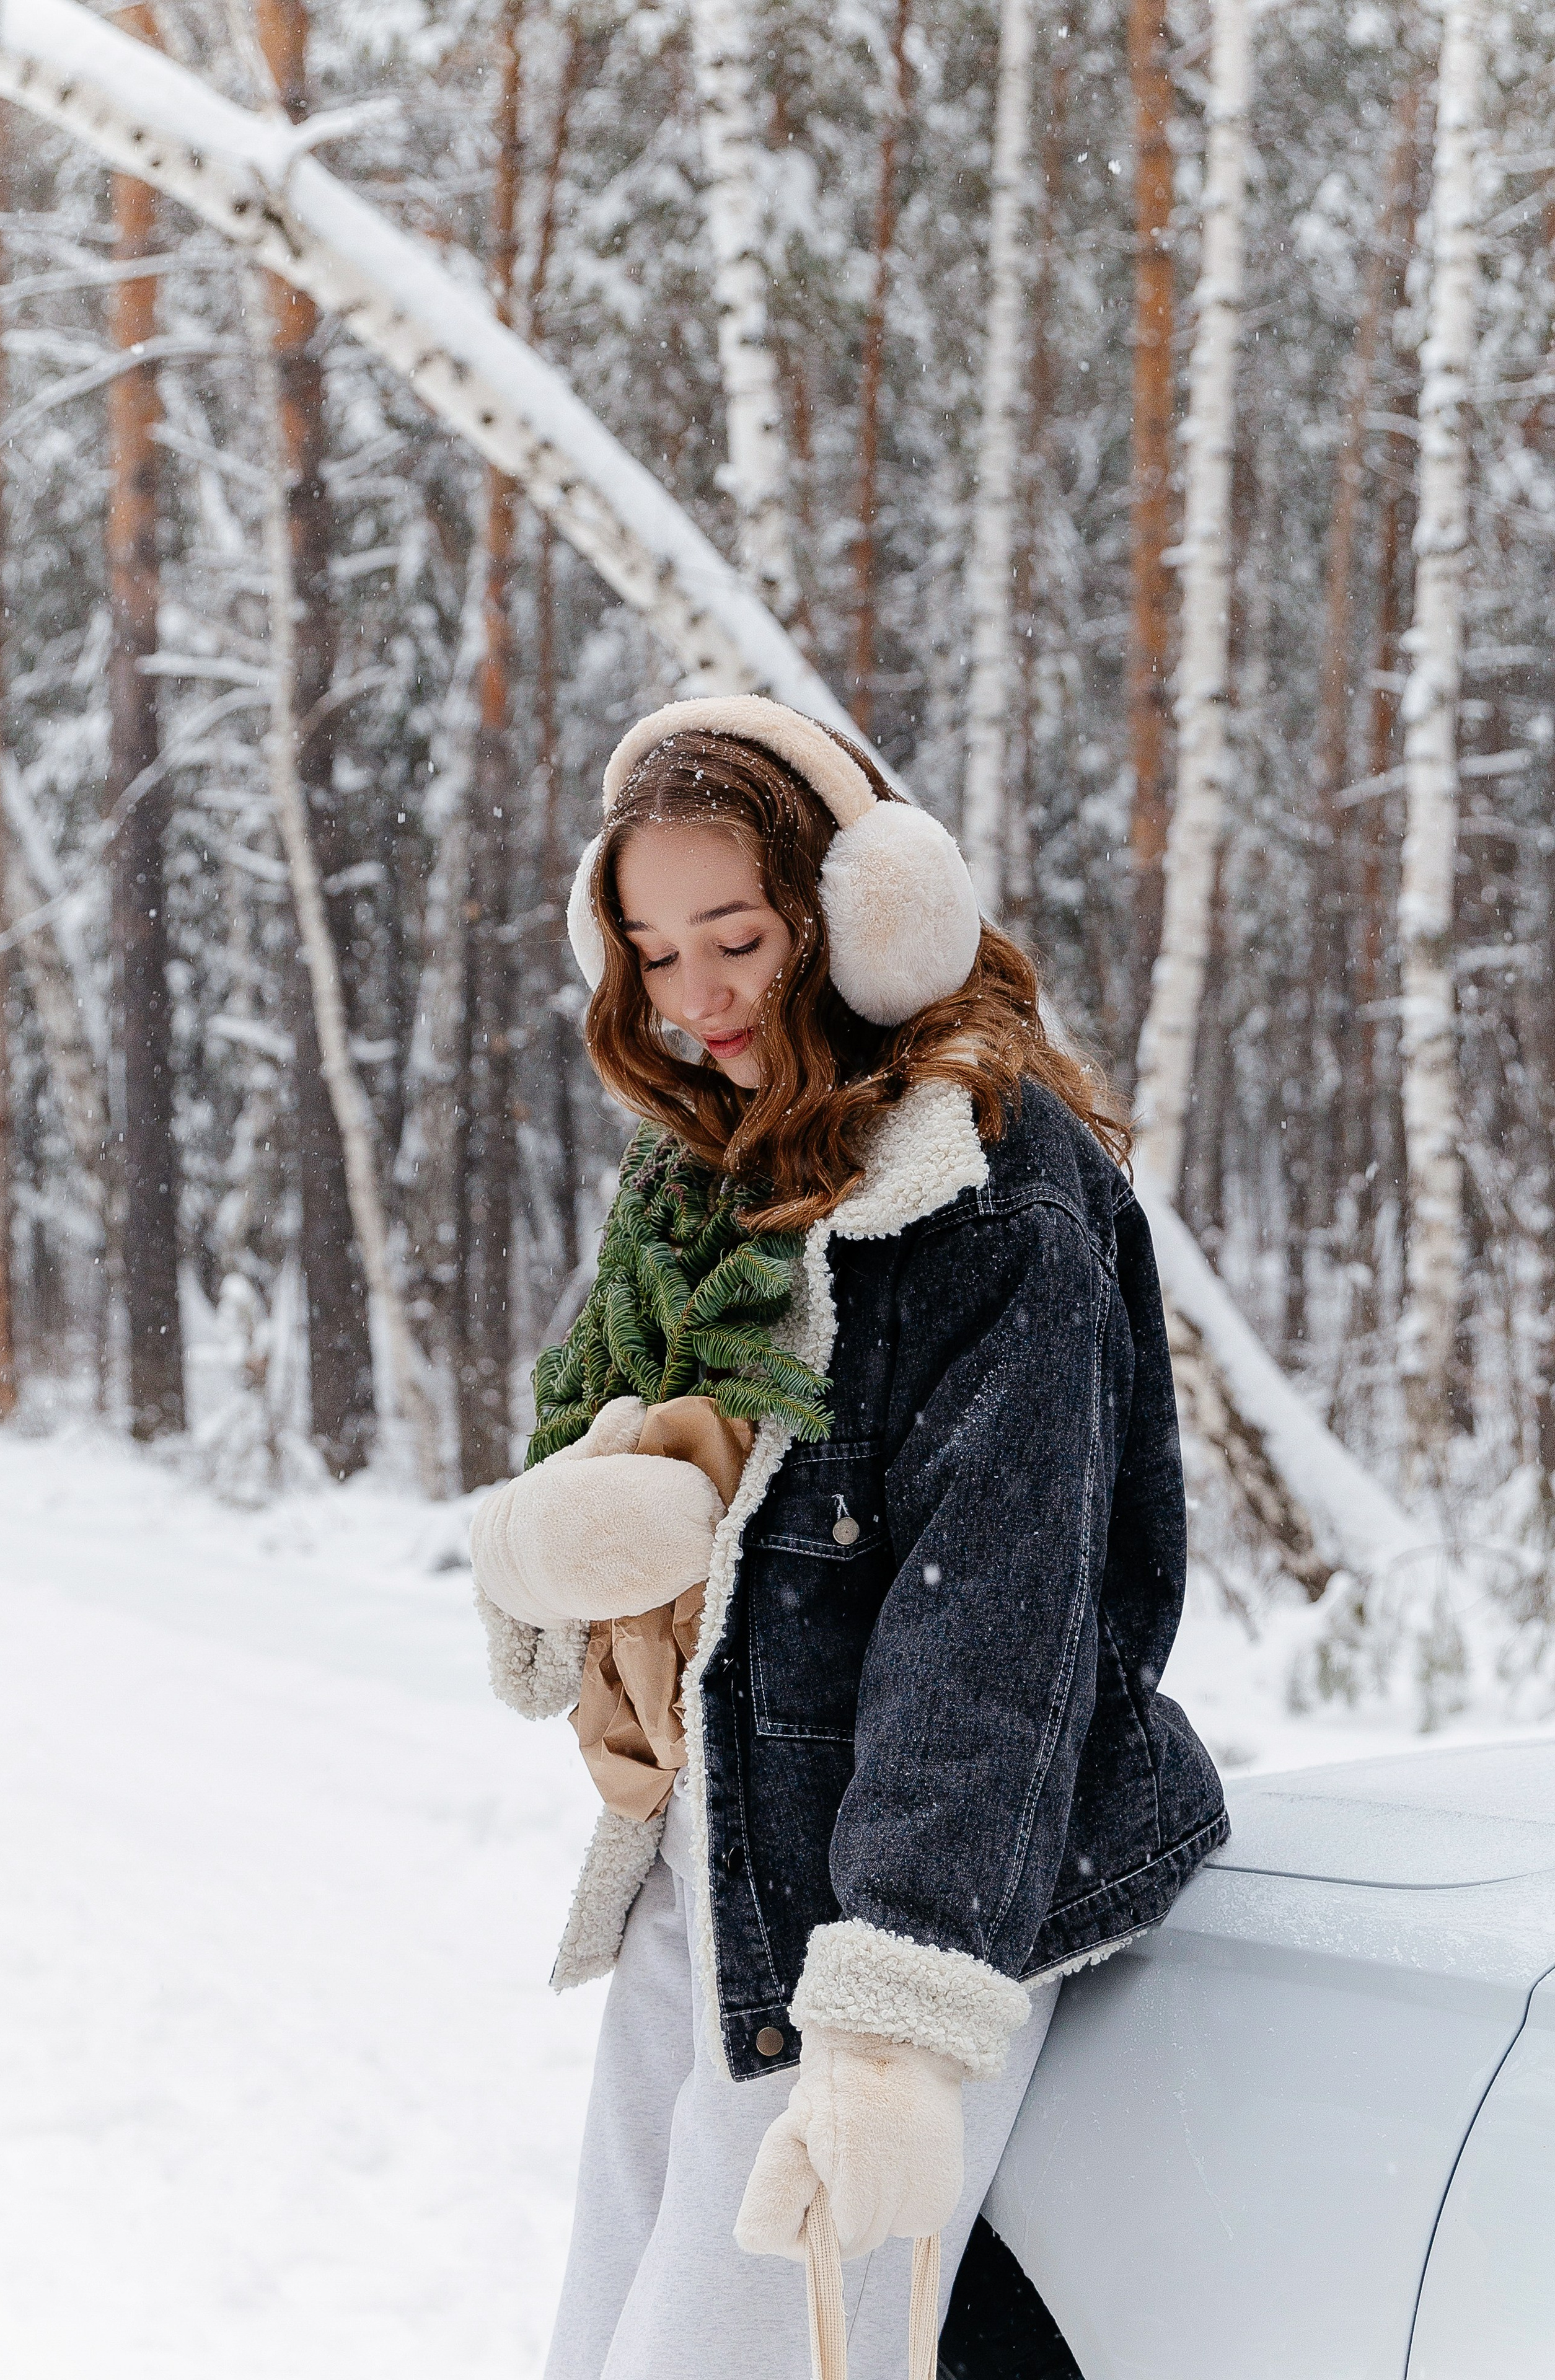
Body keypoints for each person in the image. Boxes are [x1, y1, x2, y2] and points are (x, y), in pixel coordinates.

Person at [470, 697, 1227, 2379]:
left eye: (734, 939)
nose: (696, 997)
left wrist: (892, 2030)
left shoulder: (994, 1196)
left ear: (865, 913)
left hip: (904, 1898)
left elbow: (999, 1629)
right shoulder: (702, 1178)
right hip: (716, 1858)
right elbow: (616, 1488)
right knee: (606, 2347)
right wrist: (579, 1528)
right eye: (654, 953)